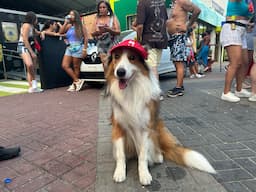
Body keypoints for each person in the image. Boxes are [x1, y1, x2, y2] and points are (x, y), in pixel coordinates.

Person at [220, 0, 253, 102]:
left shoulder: (248, 2)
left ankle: (239, 89)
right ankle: (226, 92)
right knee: (235, 62)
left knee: (245, 62)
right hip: (232, 28)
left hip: (242, 29)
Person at [166, 0, 201, 97]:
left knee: (179, 62)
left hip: (179, 36)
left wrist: (188, 25)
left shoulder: (182, 1)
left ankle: (179, 88)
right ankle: (179, 86)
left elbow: (197, 10)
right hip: (174, 37)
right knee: (176, 62)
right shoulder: (175, 3)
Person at [136, 0, 168, 100]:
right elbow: (165, 20)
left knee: (151, 67)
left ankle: (156, 93)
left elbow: (140, 25)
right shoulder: (161, 3)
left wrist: (138, 38)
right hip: (161, 38)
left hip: (148, 39)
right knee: (154, 66)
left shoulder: (142, 3)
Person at [59, 10, 88, 92]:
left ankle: (74, 84)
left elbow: (86, 37)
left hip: (78, 47)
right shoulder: (68, 26)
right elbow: (60, 32)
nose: (70, 16)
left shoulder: (81, 26)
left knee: (76, 67)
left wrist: (84, 49)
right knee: (65, 65)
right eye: (69, 14)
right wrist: (65, 22)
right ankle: (77, 81)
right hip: (69, 47)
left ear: (76, 17)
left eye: (72, 15)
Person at [17, 11, 43, 93]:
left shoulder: (31, 26)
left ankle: (32, 87)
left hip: (28, 47)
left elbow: (37, 33)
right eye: (36, 18)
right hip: (23, 46)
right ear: (33, 18)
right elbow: (25, 39)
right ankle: (34, 83)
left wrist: (43, 33)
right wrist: (31, 52)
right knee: (30, 64)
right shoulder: (26, 25)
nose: (37, 20)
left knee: (31, 68)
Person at [91, 1, 121, 72]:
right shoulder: (96, 19)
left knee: (113, 63)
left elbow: (118, 32)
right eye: (100, 8)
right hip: (101, 44)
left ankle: (116, 80)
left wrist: (109, 30)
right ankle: (108, 80)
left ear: (108, 8)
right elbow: (92, 33)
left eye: (104, 7)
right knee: (105, 64)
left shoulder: (112, 17)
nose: (102, 9)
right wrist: (99, 32)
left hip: (112, 43)